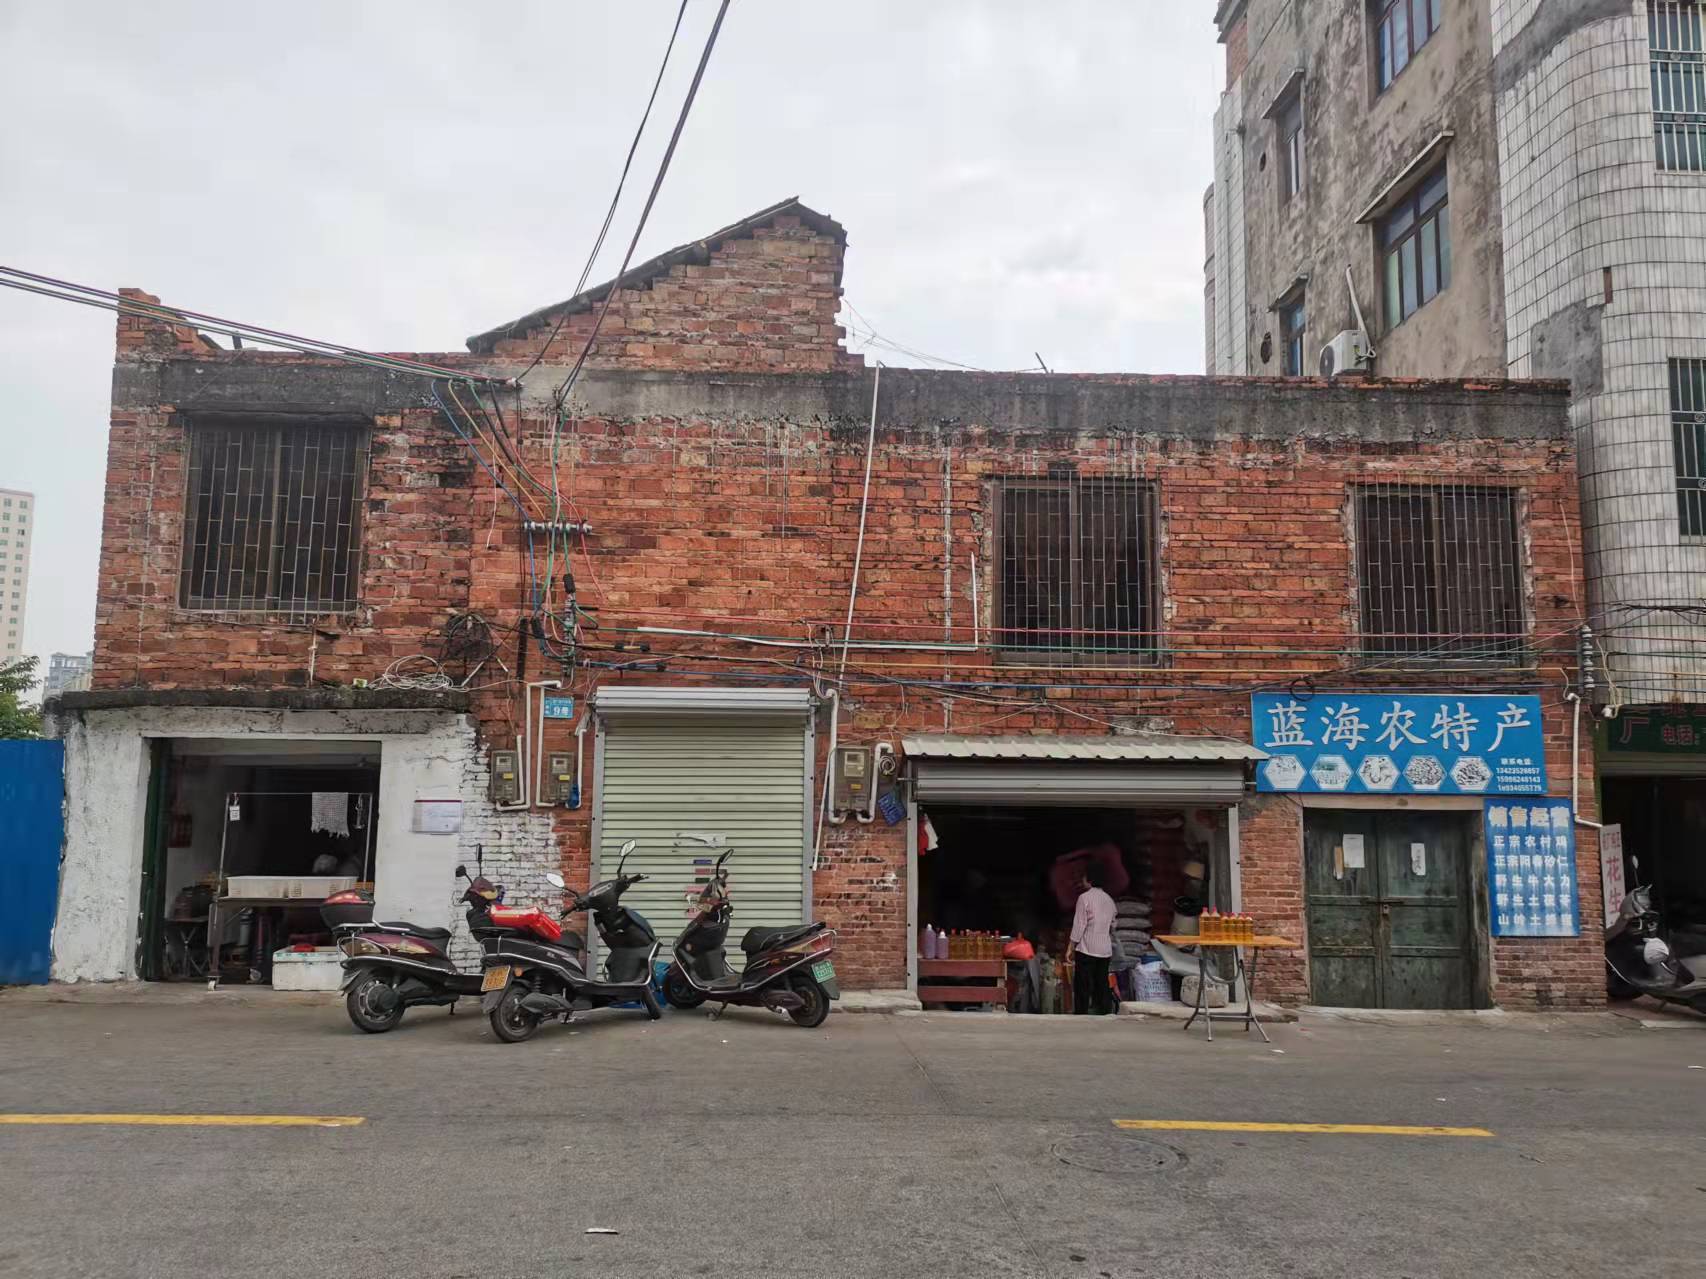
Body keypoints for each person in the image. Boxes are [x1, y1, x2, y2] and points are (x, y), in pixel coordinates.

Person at [1068, 862, 1116, 1015]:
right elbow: (1114, 924)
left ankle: (1081, 1014)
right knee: (1101, 983)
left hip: (1087, 948)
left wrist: (1071, 946)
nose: (1082, 880)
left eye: (1084, 877)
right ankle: (1105, 1013)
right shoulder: (1109, 900)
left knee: (1082, 984)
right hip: (1105, 950)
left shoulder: (1084, 898)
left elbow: (1079, 925)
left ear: (1089, 879)